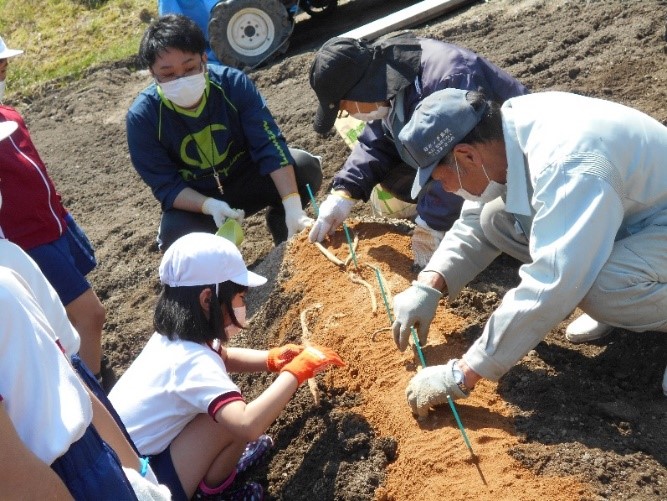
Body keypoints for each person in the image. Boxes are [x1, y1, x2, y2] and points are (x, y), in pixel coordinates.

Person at [390, 88, 667, 416]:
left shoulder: (567, 165)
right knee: (494, 217)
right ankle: (630, 300)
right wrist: (430, 284)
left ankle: (622, 297)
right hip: (635, 213)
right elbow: (474, 220)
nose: (446, 188)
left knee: (598, 286)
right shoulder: (506, 133)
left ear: (467, 156)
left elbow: (554, 279)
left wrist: (463, 373)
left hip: (656, 219)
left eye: (440, 177)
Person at [109, 232, 344, 500]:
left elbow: (224, 357)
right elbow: (248, 424)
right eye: (240, 297)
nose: (243, 305)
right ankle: (213, 493)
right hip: (140, 491)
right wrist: (296, 373)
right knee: (228, 421)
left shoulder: (173, 338)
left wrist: (271, 359)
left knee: (218, 413)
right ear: (207, 298)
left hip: (125, 470)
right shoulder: (192, 362)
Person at [308, 32, 529, 268]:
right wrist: (344, 193)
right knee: (395, 178)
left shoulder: (447, 78)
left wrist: (430, 223)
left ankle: (502, 227)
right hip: (468, 159)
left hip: (514, 161)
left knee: (492, 220)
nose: (350, 115)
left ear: (359, 90)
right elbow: (377, 141)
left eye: (344, 108)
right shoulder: (387, 82)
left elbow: (465, 162)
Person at [126, 14, 322, 251]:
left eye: (189, 68)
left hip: (248, 177)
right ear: (152, 73)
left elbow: (269, 144)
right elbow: (166, 186)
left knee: (305, 167)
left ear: (204, 59)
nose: (181, 80)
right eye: (168, 74)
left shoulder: (233, 85)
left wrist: (293, 207)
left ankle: (285, 226)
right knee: (175, 238)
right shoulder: (143, 118)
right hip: (200, 198)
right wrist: (210, 206)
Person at [0, 267, 171, 500]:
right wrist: (142, 473)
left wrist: (141, 474)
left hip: (59, 478)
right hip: (84, 464)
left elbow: (17, 478)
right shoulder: (7, 278)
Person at [0, 36, 108, 387]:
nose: (3, 74)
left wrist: (62, 217)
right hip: (28, 243)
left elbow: (36, 173)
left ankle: (89, 370)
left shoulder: (10, 115)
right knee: (91, 315)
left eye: (4, 68)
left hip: (55, 224)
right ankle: (94, 392)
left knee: (69, 316)